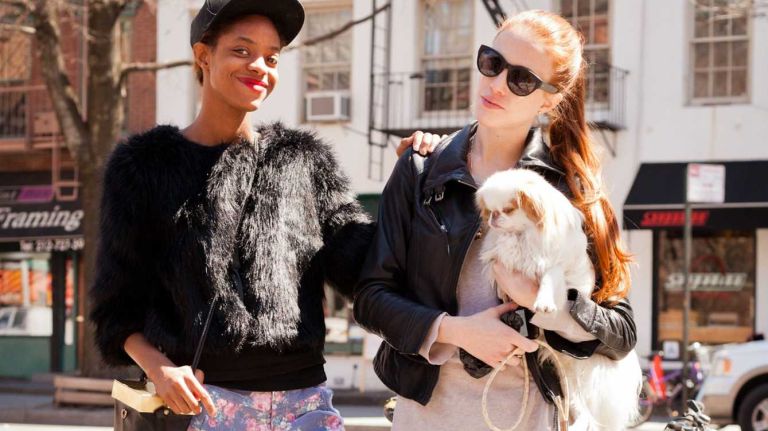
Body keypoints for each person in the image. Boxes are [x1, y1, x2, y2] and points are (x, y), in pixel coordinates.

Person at [89, 1, 389, 429]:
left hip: (305, 405)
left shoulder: (303, 160)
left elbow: (365, 262)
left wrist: (418, 178)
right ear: (203, 55)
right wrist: (160, 369)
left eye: (271, 57)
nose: (259, 67)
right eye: (242, 50)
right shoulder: (144, 167)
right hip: (206, 407)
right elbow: (115, 312)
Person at [354, 10, 637, 430]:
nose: (496, 84)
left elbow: (621, 332)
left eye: (521, 79)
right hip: (430, 416)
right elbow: (371, 298)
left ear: (549, 99)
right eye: (492, 63)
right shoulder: (421, 171)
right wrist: (456, 331)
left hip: (535, 416)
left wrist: (547, 304)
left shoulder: (570, 193)